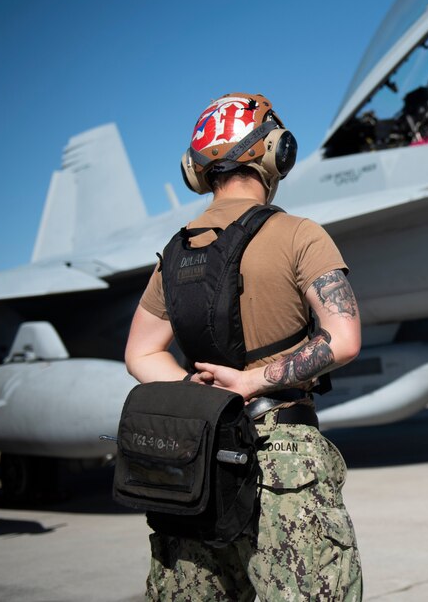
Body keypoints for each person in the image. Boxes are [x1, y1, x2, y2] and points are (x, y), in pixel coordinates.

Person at [125, 93, 363, 601]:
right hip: (284, 463)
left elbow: (140, 355)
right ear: (276, 151)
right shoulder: (300, 235)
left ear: (197, 169)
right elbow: (342, 339)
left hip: (198, 466)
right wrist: (249, 383)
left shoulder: (173, 254)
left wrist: (204, 395)